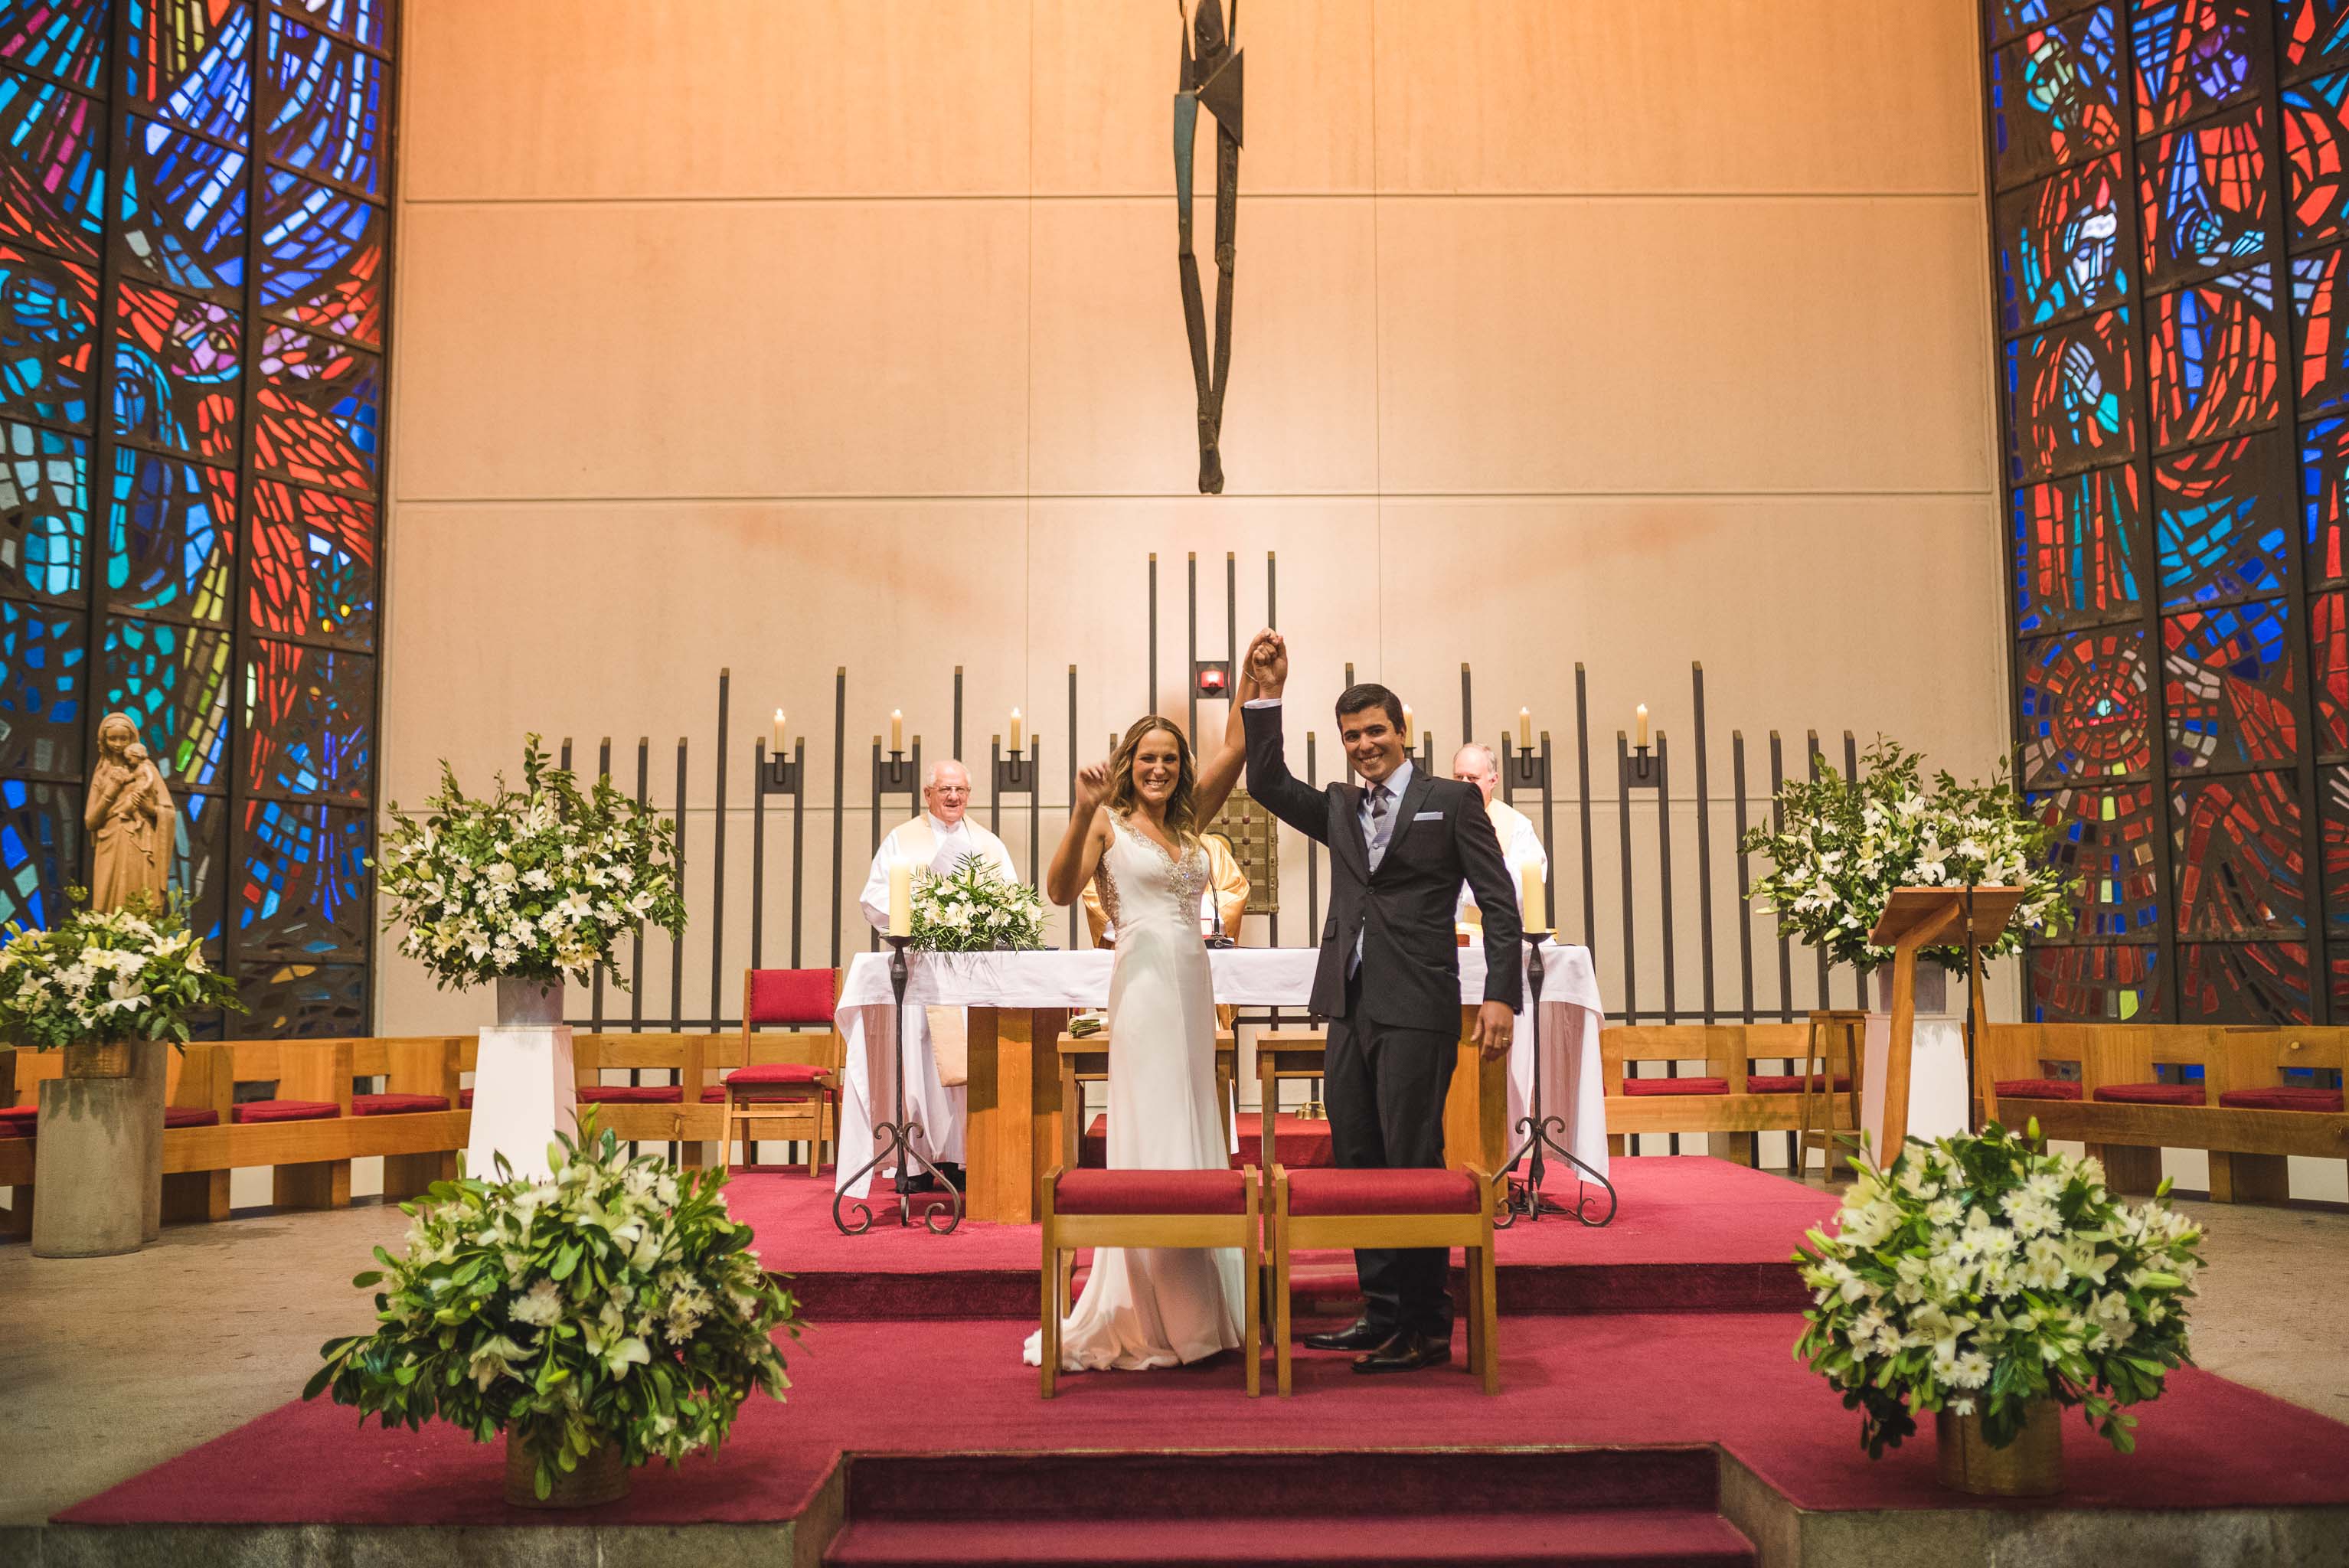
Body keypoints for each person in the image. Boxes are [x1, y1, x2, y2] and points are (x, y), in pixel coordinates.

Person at [1240, 629, 1520, 1374]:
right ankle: (1382, 1310)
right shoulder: (1336, 805)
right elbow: (1265, 782)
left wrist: (1498, 995)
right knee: (1360, 1159)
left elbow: (1498, 903)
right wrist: (1263, 694)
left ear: (1402, 731)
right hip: (1348, 1003)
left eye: (1375, 730)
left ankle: (1428, 1324)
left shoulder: (1451, 800)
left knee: (1410, 1159)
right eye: (1350, 735)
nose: (1364, 744)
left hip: (1418, 1004)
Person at [1023, 692, 1251, 1372]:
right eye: (1148, 759)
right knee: (1156, 1126)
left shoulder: (1190, 826)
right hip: (1145, 987)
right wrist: (1080, 809)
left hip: (1191, 982)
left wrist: (1251, 682)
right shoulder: (1108, 823)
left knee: (1193, 1120)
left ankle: (1204, 1303)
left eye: (1171, 760)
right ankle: (1161, 1310)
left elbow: (1237, 750)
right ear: (1129, 764)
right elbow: (1060, 891)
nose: (1161, 770)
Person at [857, 760, 1018, 1184]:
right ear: (927, 794)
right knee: (920, 1060)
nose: (953, 797)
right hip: (920, 969)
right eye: (945, 789)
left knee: (969, 1060)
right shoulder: (901, 840)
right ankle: (916, 1160)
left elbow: (1009, 896)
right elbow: (875, 895)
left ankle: (966, 1158)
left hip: (972, 975)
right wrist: (922, 915)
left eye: (961, 790)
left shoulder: (987, 844)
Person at [1449, 743, 1548, 929]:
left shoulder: (1516, 825)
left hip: (1495, 934)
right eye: (1458, 777)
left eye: (1472, 778)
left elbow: (1523, 886)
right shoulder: (1440, 818)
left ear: (1493, 780)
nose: (1463, 784)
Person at [86, 714, 174, 913]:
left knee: (138, 903)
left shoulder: (146, 769)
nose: (118, 744)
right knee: (106, 905)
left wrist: (150, 809)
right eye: (112, 739)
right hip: (109, 842)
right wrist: (113, 788)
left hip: (140, 840)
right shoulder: (101, 774)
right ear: (104, 741)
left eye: (123, 739)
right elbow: (91, 822)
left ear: (132, 739)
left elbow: (168, 811)